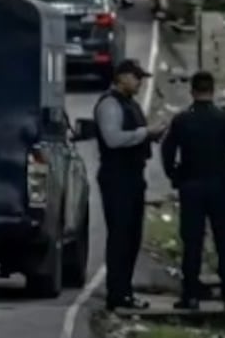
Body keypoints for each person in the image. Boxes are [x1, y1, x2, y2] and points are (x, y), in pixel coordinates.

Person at [160, 70, 225, 310]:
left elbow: (167, 150)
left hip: (191, 186)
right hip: (221, 186)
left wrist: (174, 175)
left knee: (192, 242)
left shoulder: (181, 120)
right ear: (213, 91)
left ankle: (190, 295)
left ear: (192, 91)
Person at [94, 58, 166, 313]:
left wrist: (153, 134)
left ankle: (125, 291)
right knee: (120, 235)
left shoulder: (130, 103)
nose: (139, 83)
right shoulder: (110, 104)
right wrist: (146, 133)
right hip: (117, 176)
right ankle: (117, 293)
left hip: (134, 175)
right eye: (136, 78)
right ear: (122, 77)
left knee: (132, 236)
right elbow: (113, 139)